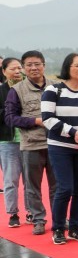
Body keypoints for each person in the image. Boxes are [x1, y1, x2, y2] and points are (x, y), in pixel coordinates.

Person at [41, 53, 78, 245]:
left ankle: (75, 227)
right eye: (77, 65)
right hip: (60, 146)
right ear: (67, 67)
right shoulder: (53, 90)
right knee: (65, 188)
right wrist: (73, 132)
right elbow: (48, 118)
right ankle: (58, 228)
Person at [5, 51, 55, 236]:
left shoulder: (56, 87)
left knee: (58, 186)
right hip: (31, 145)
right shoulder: (16, 90)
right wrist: (35, 121)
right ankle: (38, 219)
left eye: (37, 64)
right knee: (32, 186)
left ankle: (59, 220)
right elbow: (10, 118)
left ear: (44, 65)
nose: (33, 68)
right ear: (24, 68)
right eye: (29, 65)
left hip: (56, 144)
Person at [1, 58, 28, 227]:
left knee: (30, 180)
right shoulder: (1, 91)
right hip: (8, 141)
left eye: (20, 68)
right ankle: (13, 214)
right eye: (13, 68)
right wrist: (12, 111)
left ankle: (32, 211)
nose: (18, 71)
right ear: (4, 71)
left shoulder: (28, 88)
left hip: (29, 140)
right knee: (11, 179)